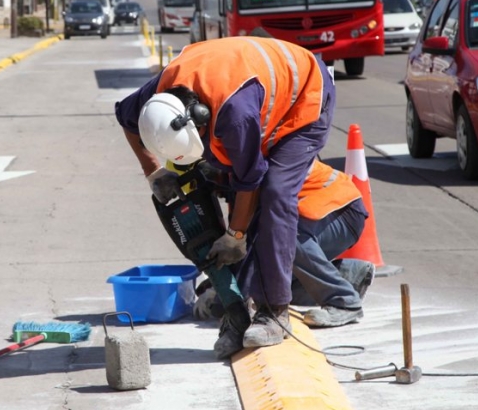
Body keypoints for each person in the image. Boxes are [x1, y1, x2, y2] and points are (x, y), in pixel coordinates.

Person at [115, 36, 335, 356]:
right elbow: (126, 118)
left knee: (275, 194)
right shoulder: (157, 98)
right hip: (252, 88)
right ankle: (238, 306)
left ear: (201, 119)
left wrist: (235, 235)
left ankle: (274, 311)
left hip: (306, 97)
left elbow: (251, 181)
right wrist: (154, 172)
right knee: (222, 176)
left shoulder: (237, 114)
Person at [193, 159, 375, 329]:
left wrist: (229, 297)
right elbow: (245, 249)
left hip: (341, 211)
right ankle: (350, 276)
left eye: (216, 189)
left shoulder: (252, 176)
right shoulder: (238, 187)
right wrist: (223, 283)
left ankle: (344, 301)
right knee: (271, 286)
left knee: (283, 239)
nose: (218, 195)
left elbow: (252, 250)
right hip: (317, 215)